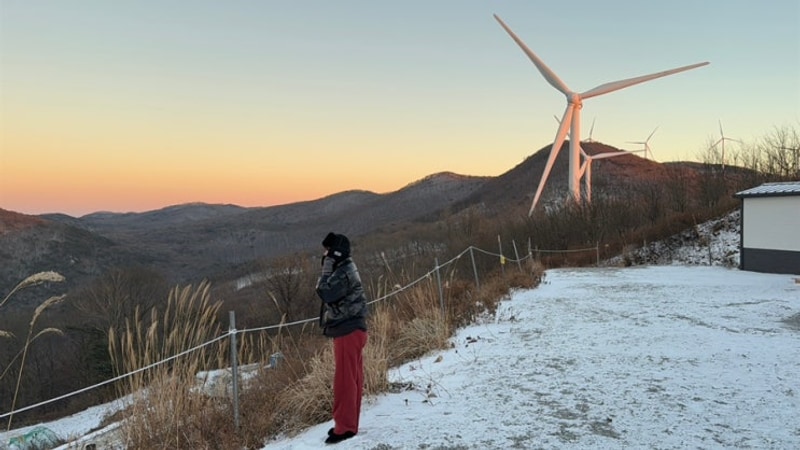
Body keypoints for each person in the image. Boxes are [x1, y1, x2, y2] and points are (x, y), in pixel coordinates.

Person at [315, 232, 368, 445]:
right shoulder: (346, 268)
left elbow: (325, 292)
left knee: (345, 380)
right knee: (352, 377)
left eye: (327, 251)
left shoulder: (342, 272)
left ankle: (345, 427)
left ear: (335, 253)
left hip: (348, 329)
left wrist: (326, 269)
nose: (324, 254)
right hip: (353, 327)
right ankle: (348, 424)